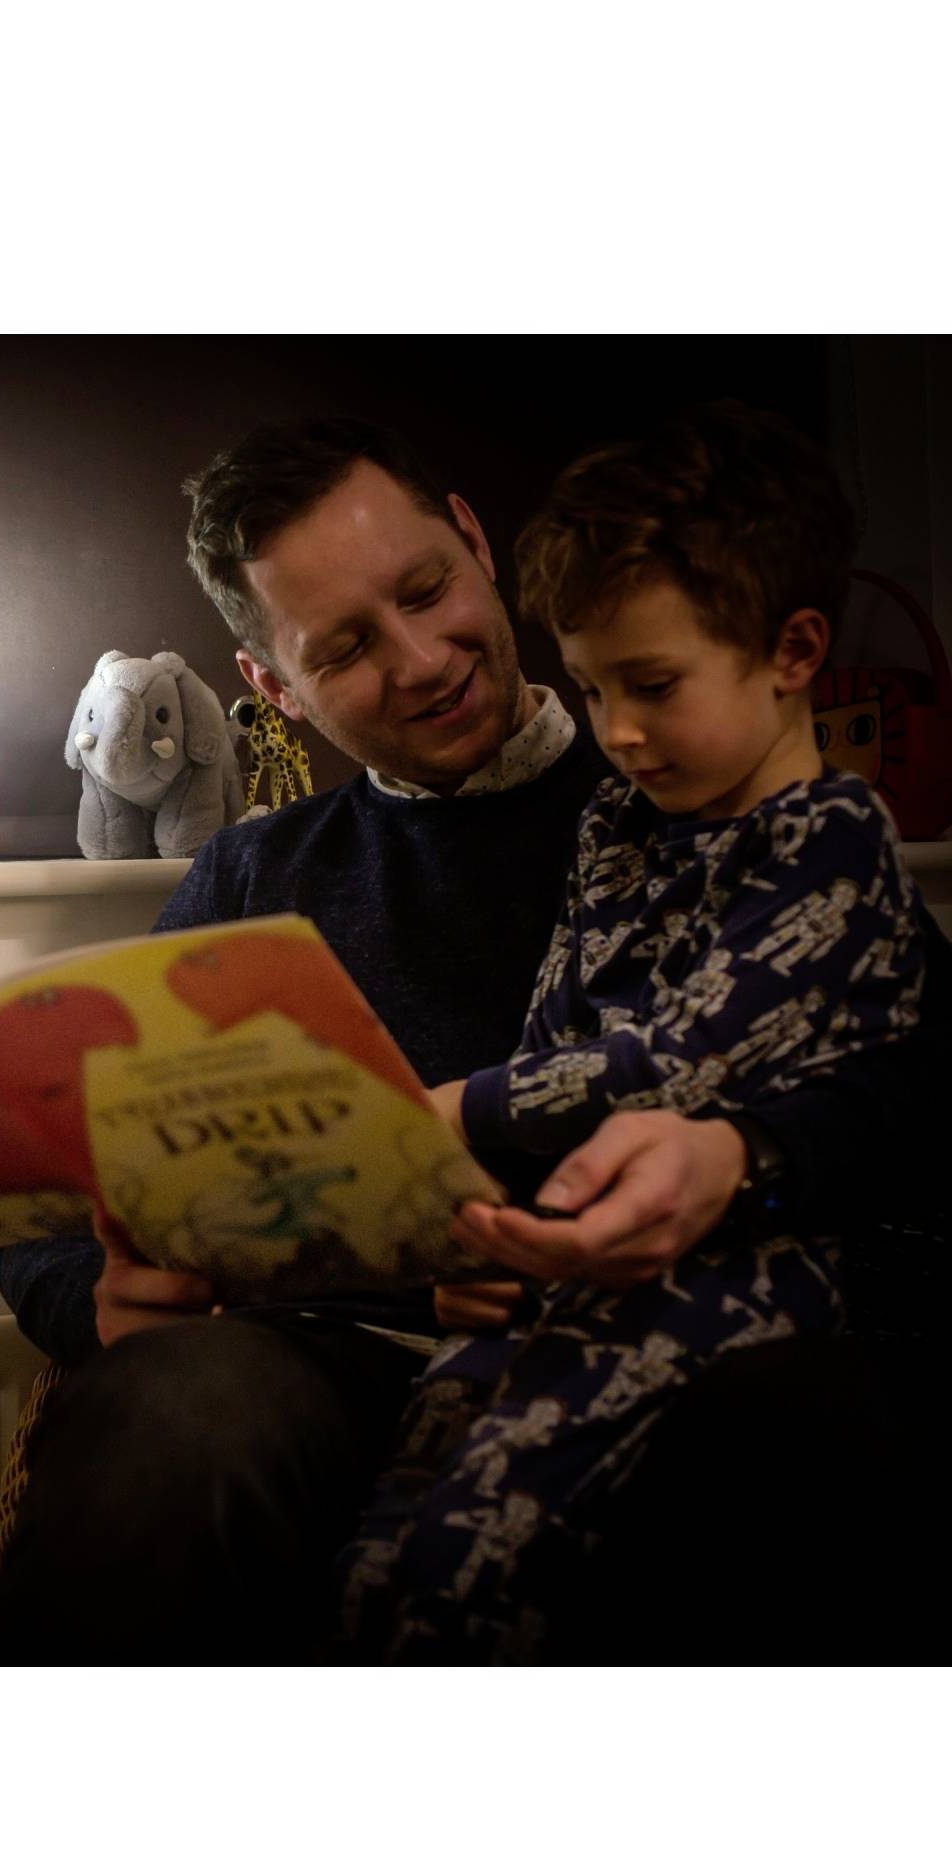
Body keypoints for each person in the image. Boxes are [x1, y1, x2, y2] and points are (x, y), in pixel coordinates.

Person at [0, 413, 947, 1664]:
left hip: (670, 1345)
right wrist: (108, 1303)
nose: (423, 658)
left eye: (426, 589)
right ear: (272, 685)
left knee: (789, 1426)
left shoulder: (698, 785)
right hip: (347, 1367)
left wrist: (748, 1158)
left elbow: (912, 1079)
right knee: (177, 1404)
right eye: (345, 647)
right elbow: (52, 1212)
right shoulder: (251, 878)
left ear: (475, 542)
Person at [336, 403, 926, 1662]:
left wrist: (454, 1107)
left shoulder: (832, 841)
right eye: (595, 687)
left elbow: (670, 1058)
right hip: (572, 1264)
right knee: (390, 1540)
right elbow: (560, 1014)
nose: (616, 730)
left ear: (791, 650)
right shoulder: (615, 825)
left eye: (650, 685)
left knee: (475, 1555)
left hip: (750, 1280)